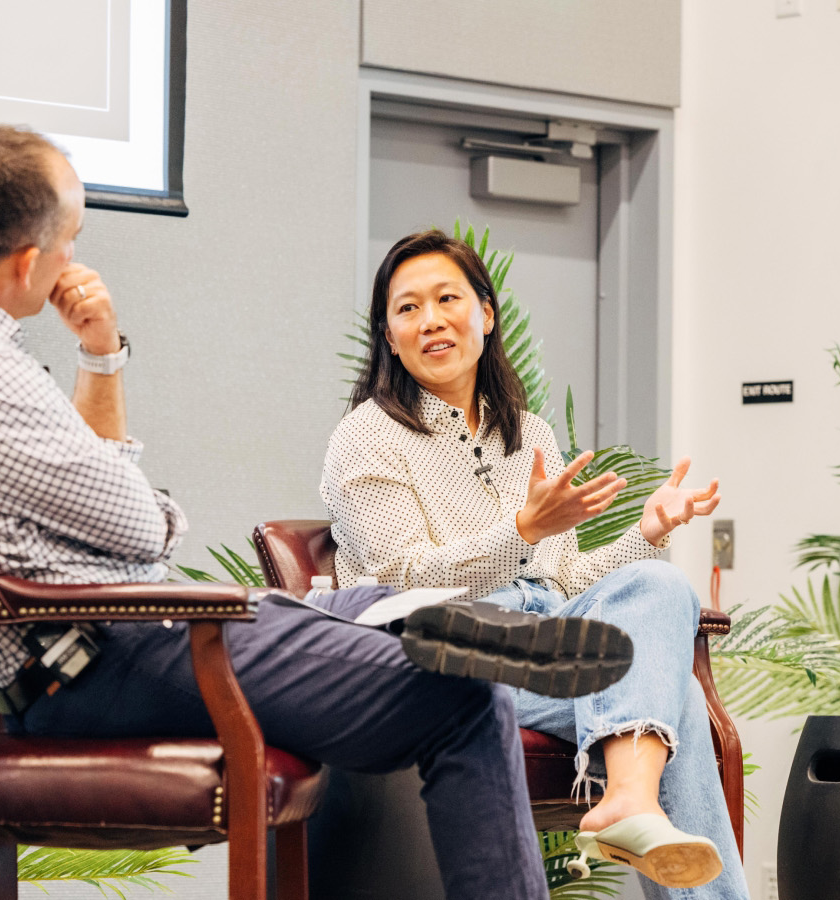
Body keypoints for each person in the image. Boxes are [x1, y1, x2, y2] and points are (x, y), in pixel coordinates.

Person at [0, 124, 630, 900]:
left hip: (93, 643)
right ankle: (459, 631)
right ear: (27, 261)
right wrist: (129, 475)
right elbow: (145, 527)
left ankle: (438, 619)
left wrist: (98, 354)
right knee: (465, 697)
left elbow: (85, 512)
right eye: (71, 240)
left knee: (359, 601)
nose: (73, 259)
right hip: (110, 655)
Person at [321, 229, 749, 898]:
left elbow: (564, 581)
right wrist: (520, 531)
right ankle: (631, 803)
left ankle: (629, 799)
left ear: (486, 315)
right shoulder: (366, 436)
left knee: (660, 583)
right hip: (446, 653)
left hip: (549, 638)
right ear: (389, 334)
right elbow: (400, 580)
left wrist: (647, 530)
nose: (429, 320)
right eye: (407, 308)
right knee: (680, 700)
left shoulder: (529, 434)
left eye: (446, 298)